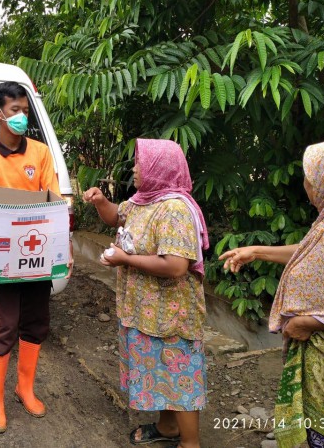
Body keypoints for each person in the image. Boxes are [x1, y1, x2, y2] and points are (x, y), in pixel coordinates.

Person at [219, 139, 324, 448]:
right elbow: (312, 251)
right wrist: (258, 252)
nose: (306, 184)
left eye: (311, 176)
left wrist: (309, 323)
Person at [83, 139, 209, 448]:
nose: (135, 169)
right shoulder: (144, 199)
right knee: (161, 369)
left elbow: (177, 266)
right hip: (145, 309)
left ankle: (190, 442)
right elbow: (118, 217)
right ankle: (167, 428)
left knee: (180, 376)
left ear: (159, 168)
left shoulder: (174, 209)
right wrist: (101, 202)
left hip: (171, 312)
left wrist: (124, 259)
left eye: (141, 163)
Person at [0, 81, 73, 434]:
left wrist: (64, 245)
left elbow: (54, 200)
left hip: (37, 252)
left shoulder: (41, 154)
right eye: (15, 111)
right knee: (5, 325)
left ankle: (24, 387)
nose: (22, 117)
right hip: (3, 257)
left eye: (25, 111)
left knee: (37, 322)